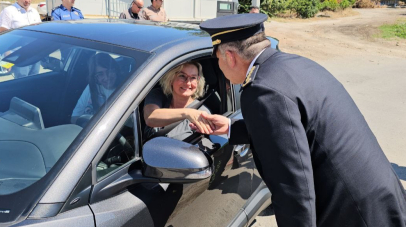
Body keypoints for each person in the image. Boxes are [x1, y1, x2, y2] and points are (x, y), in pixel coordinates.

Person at [198, 13, 406, 227]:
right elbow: (292, 128)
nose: (219, 67)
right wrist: (232, 128)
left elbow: (294, 190)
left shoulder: (262, 92)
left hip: (351, 214)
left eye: (218, 60)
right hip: (380, 198)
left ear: (231, 57)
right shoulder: (293, 65)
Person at [143, 61, 213, 140]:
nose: (188, 83)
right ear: (171, 78)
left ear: (198, 81)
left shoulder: (201, 113)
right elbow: (150, 118)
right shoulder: (158, 95)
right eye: (182, 76)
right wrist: (187, 113)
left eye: (193, 77)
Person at [0, 0, 42, 78]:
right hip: (19, 57)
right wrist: (8, 57)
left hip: (35, 55)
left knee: (35, 83)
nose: (27, 0)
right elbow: (2, 33)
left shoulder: (34, 12)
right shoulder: (9, 11)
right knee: (22, 86)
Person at [71, 53, 121, 123]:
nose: (106, 78)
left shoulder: (124, 89)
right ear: (95, 77)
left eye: (109, 71)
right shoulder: (92, 87)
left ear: (116, 70)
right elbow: (75, 116)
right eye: (100, 74)